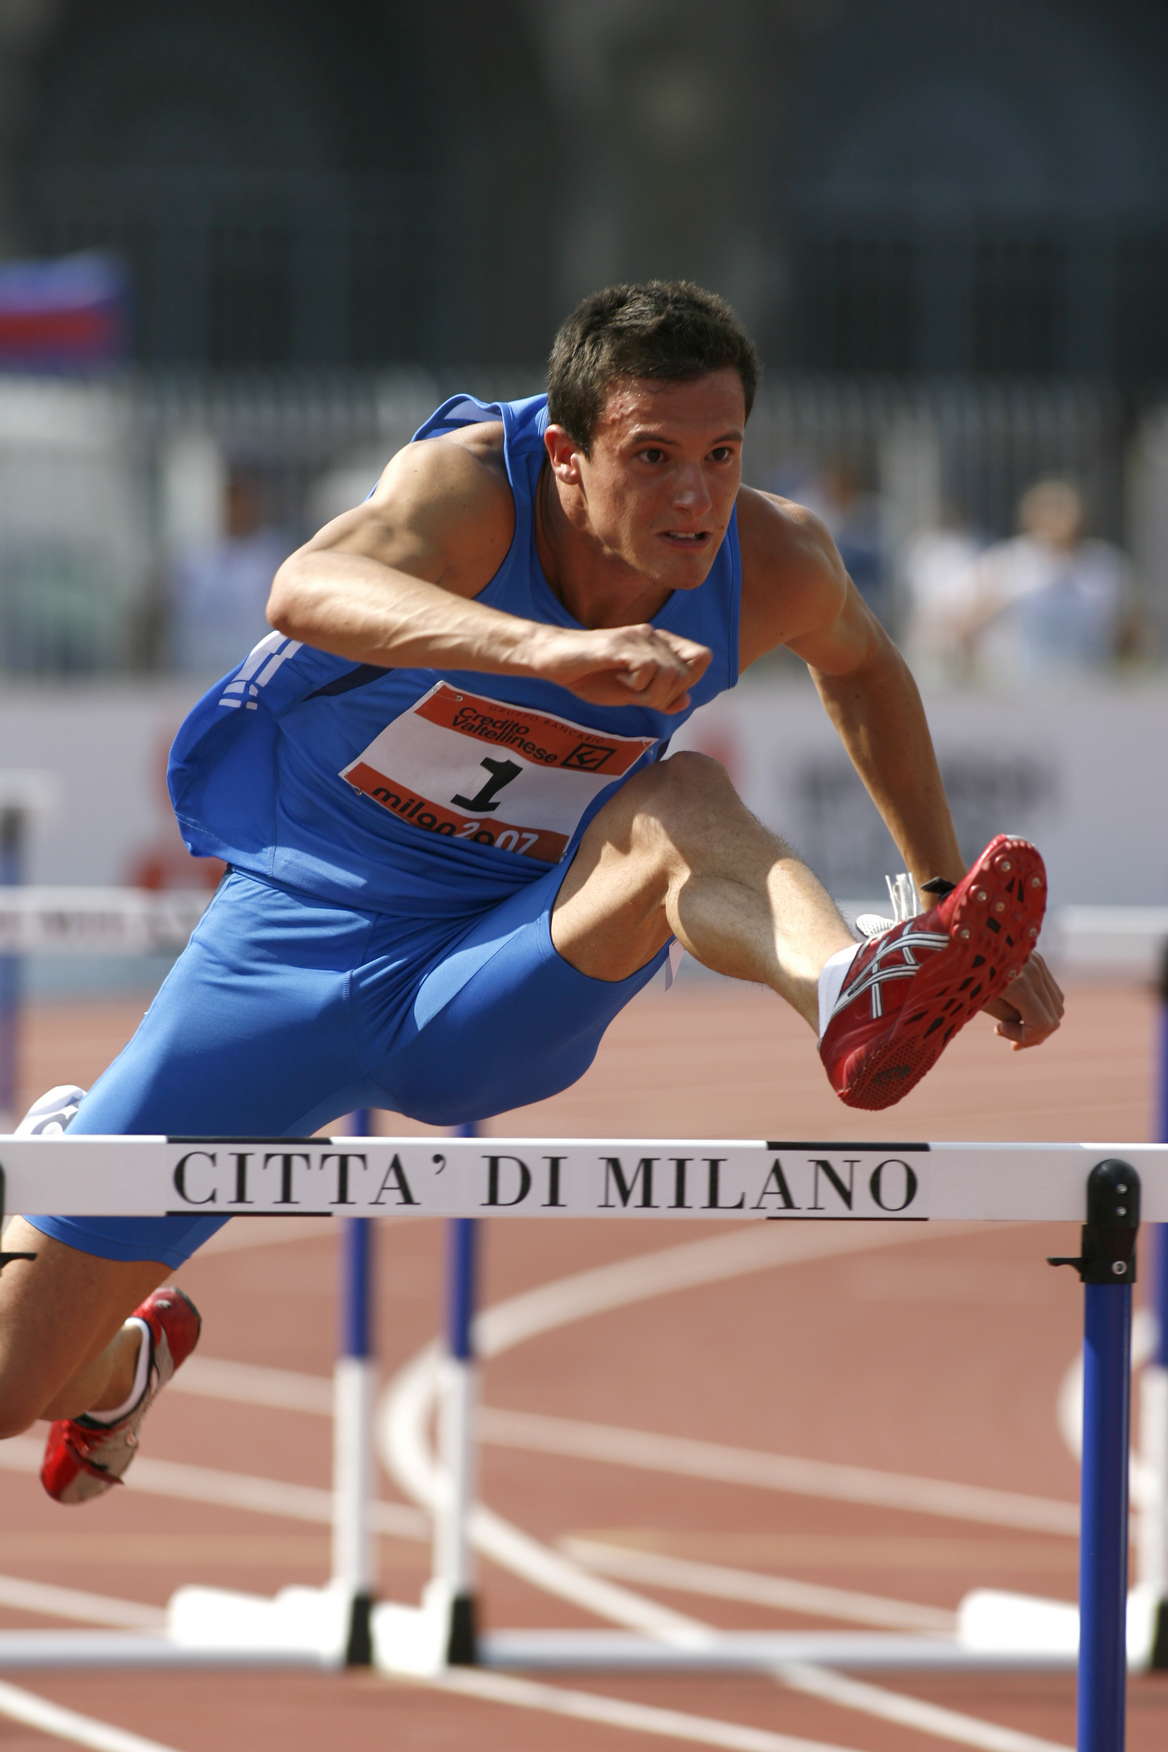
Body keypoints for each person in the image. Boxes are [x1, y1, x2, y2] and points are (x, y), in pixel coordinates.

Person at [0, 281, 1063, 1505]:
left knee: (680, 802)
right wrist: (547, 652)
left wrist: (940, 891)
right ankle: (127, 1359)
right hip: (292, 952)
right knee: (12, 1384)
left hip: (499, 966)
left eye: (721, 456)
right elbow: (305, 588)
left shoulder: (770, 558)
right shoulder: (468, 493)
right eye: (651, 458)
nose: (693, 497)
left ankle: (850, 989)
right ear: (566, 457)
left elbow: (865, 668)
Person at [963, 478, 1135, 684]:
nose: (1061, 519)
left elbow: (1129, 629)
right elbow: (967, 625)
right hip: (1019, 686)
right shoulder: (1007, 562)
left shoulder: (1105, 564)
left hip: (1090, 683)